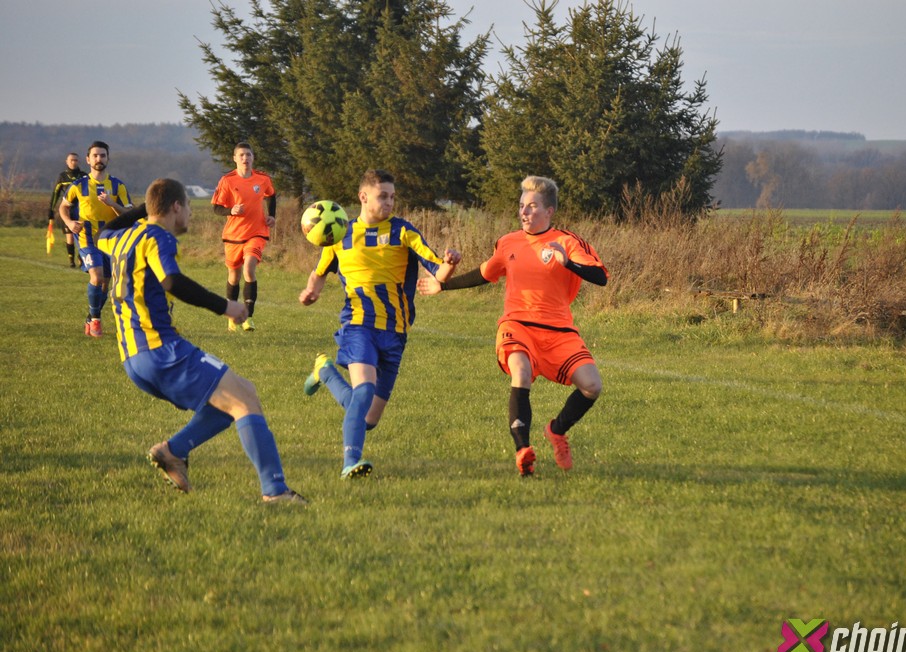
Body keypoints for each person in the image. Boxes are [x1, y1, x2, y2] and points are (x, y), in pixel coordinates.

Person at [97, 178, 306, 504]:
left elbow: (104, 232)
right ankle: (276, 492)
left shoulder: (123, 237)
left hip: (133, 358)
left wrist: (144, 208)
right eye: (188, 208)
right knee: (245, 400)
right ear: (176, 207)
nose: (191, 215)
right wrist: (226, 306)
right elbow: (172, 280)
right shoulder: (158, 236)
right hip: (161, 350)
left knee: (231, 401)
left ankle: (173, 451)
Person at [417, 175, 608, 477]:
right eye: (521, 206)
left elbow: (601, 277)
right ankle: (523, 450)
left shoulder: (568, 242)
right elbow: (484, 273)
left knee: (592, 387)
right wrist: (444, 285)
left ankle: (557, 431)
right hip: (517, 325)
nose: (524, 212)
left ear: (549, 211)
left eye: (532, 206)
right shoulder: (508, 242)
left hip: (559, 331)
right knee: (521, 372)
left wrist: (567, 263)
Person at [299, 169, 460, 479]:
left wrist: (450, 264)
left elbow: (437, 271)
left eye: (392, 197)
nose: (389, 202)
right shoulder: (340, 234)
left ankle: (325, 371)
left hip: (396, 331)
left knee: (368, 419)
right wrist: (312, 291)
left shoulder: (403, 231)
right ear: (363, 197)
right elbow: (319, 272)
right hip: (358, 324)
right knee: (363, 392)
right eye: (382, 196)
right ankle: (350, 462)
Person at [58, 140, 132, 337]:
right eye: (95, 156)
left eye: (103, 156)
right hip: (87, 237)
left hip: (110, 239)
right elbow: (63, 207)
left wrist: (112, 204)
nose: (99, 159)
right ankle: (96, 321)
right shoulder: (78, 185)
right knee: (97, 277)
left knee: (106, 283)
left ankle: (91, 317)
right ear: (88, 160)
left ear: (108, 159)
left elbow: (129, 214)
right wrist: (69, 222)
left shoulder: (117, 185)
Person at [211, 142, 275, 332]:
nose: (245, 158)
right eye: (241, 155)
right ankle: (232, 316)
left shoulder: (262, 179)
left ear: (253, 158)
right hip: (233, 235)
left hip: (257, 232)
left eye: (248, 154)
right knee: (234, 276)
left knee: (249, 269)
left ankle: (248, 317)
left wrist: (272, 215)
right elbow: (216, 208)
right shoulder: (227, 181)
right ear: (235, 158)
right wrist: (231, 210)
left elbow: (271, 195)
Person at [48, 152, 87, 268]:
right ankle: (71, 261)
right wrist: (51, 209)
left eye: (76, 160)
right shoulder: (62, 176)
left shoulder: (84, 176)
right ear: (67, 162)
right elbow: (55, 193)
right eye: (71, 160)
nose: (74, 162)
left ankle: (81, 257)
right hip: (67, 210)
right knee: (69, 235)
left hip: (81, 210)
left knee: (82, 235)